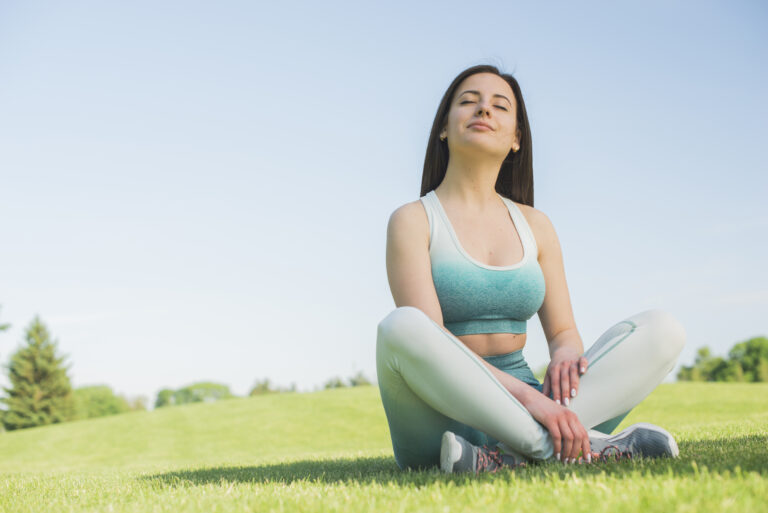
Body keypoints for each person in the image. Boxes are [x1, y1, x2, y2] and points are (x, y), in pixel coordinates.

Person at [376, 64, 687, 474]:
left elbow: (562, 333)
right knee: (401, 327)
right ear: (444, 128)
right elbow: (434, 344)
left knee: (663, 330)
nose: (483, 110)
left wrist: (565, 357)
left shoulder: (536, 225)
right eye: (468, 102)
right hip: (440, 421)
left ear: (517, 139)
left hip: (532, 404)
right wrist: (533, 401)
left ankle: (504, 458)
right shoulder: (413, 220)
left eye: (499, 106)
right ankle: (574, 447)